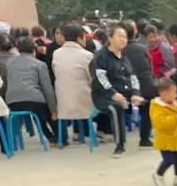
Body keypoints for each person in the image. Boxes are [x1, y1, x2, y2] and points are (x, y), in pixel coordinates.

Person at [90, 24, 143, 157]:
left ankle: (146, 139)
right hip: (104, 95)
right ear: (110, 38)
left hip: (125, 94)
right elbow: (100, 78)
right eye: (119, 36)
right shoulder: (101, 56)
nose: (123, 39)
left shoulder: (124, 57)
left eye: (125, 37)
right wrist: (113, 94)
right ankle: (120, 145)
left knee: (150, 102)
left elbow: (133, 77)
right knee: (116, 108)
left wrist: (136, 93)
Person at [5, 37, 58, 142]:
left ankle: (49, 136)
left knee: (35, 111)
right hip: (34, 99)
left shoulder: (9, 63)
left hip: (12, 101)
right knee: (44, 112)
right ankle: (58, 137)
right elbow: (47, 89)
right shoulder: (40, 64)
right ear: (34, 50)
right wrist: (54, 110)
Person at [52, 24, 95, 143]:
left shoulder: (56, 54)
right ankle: (101, 133)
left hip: (63, 102)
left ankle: (72, 136)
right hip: (84, 103)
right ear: (79, 38)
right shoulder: (87, 55)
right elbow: (93, 79)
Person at [150, 77, 177, 186]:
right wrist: (175, 118)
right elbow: (159, 123)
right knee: (169, 159)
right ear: (164, 93)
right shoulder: (156, 106)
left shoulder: (175, 103)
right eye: (174, 92)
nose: (176, 95)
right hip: (165, 139)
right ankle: (158, 174)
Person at [122, 21, 158, 148]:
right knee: (147, 110)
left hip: (125, 88)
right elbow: (150, 69)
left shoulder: (118, 51)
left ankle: (120, 139)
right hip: (145, 86)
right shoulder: (142, 48)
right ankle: (145, 138)